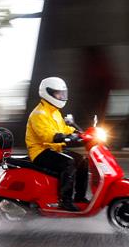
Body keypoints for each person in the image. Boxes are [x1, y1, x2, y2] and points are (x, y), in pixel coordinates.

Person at [26, 77, 89, 211]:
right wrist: (63, 137)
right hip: (40, 152)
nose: (61, 96)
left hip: (54, 149)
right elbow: (45, 134)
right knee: (69, 163)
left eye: (62, 93)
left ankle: (79, 197)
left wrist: (79, 133)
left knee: (83, 161)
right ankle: (65, 201)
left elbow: (63, 129)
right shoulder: (39, 114)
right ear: (47, 92)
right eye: (58, 93)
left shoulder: (55, 112)